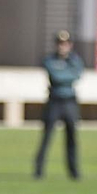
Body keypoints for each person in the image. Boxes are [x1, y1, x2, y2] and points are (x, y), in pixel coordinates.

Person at [33, 30, 83, 181]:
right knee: (47, 136)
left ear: (70, 45)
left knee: (72, 137)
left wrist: (64, 75)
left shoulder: (75, 60)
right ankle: (39, 170)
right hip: (54, 101)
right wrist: (65, 75)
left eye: (65, 44)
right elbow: (56, 76)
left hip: (69, 101)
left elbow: (76, 75)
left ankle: (73, 171)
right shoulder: (50, 60)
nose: (63, 47)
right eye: (60, 44)